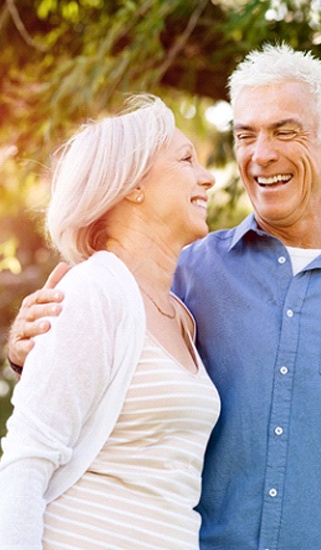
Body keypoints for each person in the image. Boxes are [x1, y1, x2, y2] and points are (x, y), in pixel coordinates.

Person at [7, 44, 321, 549]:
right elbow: (91, 355)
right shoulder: (183, 272)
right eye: (245, 135)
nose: (262, 154)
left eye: (285, 131)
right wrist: (31, 345)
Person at [0, 94, 220, 548]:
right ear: (132, 185)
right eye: (186, 160)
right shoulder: (94, 291)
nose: (208, 178)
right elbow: (27, 458)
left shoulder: (180, 314)